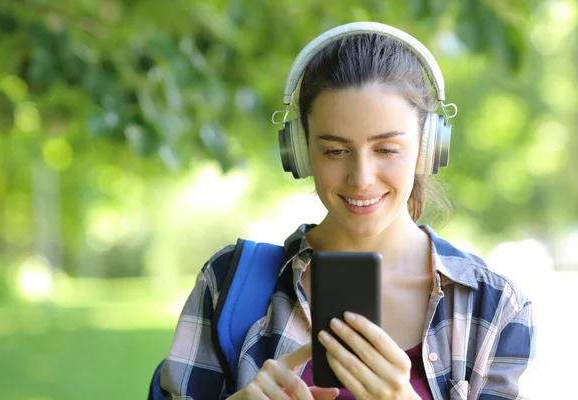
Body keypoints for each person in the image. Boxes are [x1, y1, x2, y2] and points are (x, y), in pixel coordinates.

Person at [158, 22, 536, 400]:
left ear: (427, 149)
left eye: (387, 150)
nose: (361, 179)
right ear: (301, 152)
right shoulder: (227, 285)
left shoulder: (494, 305)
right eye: (335, 151)